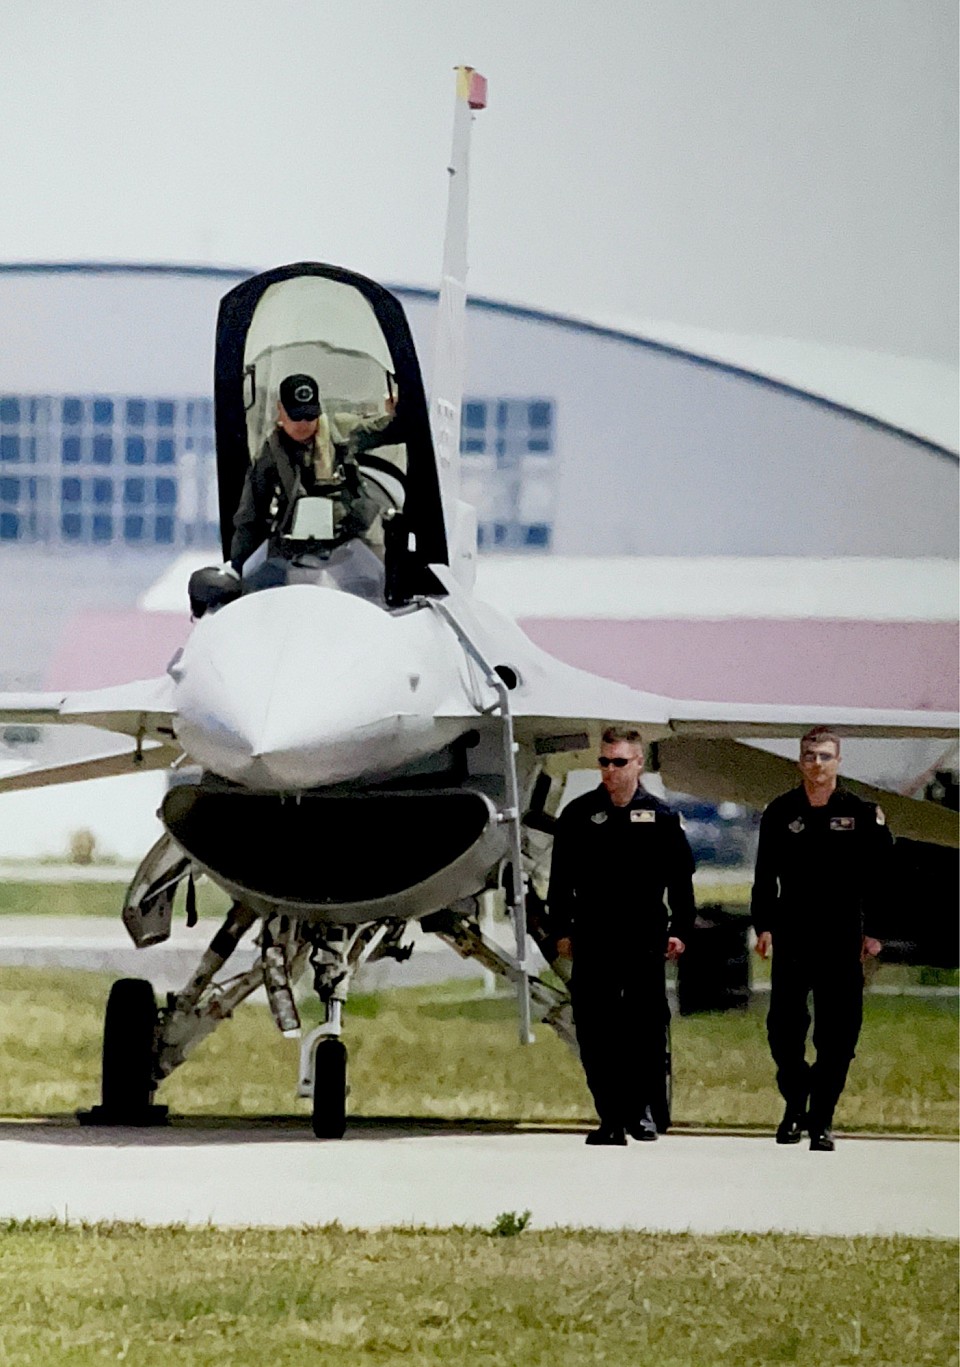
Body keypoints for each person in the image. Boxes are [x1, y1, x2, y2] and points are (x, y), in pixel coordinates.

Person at [548, 727, 696, 1146]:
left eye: (619, 762)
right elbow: (560, 883)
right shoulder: (579, 815)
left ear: (638, 765)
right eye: (604, 762)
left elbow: (681, 883)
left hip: (644, 938)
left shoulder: (662, 817)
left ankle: (642, 1111)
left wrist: (681, 931)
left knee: (645, 1029)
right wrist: (560, 931)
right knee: (596, 1031)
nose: (610, 770)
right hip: (593, 938)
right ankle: (610, 1117)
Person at [751, 725, 893, 1152]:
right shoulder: (780, 812)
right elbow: (764, 878)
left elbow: (881, 878)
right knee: (784, 1031)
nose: (817, 764)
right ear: (800, 761)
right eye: (810, 756)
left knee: (839, 1033)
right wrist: (763, 926)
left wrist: (877, 933)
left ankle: (821, 1119)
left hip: (842, 935)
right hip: (794, 934)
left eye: (825, 756)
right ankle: (796, 1102)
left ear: (838, 762)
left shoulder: (861, 813)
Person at [228, 373, 399, 588]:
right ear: (281, 410)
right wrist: (237, 571)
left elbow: (387, 431)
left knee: (378, 585)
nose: (303, 424)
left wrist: (400, 411)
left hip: (351, 543)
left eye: (309, 416)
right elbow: (250, 519)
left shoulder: (340, 433)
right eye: (296, 417)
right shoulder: (270, 454)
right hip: (293, 551)